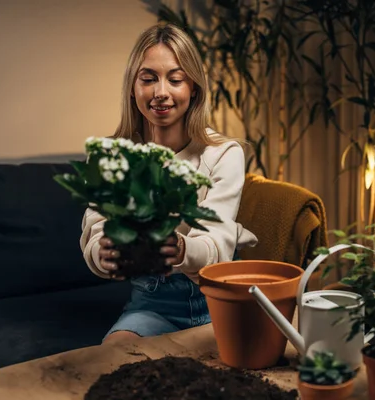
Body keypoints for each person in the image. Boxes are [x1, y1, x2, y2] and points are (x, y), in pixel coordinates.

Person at [79, 23, 258, 344]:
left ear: (193, 89)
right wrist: (101, 253)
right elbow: (96, 229)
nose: (161, 91)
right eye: (148, 79)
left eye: (175, 80)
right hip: (152, 302)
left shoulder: (224, 153)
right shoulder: (110, 155)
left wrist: (180, 248)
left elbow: (217, 241)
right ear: (133, 88)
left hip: (220, 297)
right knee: (114, 358)